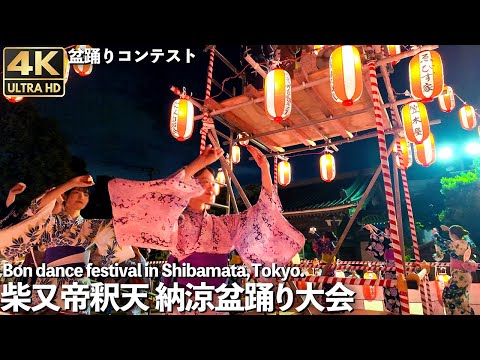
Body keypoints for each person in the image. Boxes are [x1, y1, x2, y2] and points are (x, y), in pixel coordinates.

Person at [108, 144, 305, 315]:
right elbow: (166, 196)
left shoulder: (224, 224)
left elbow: (263, 212)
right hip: (185, 301)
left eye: (213, 184)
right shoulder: (178, 221)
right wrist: (198, 164)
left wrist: (264, 168)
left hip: (219, 300)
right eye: (204, 183)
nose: (211, 188)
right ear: (188, 186)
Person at [0, 175, 135, 314]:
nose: (81, 196)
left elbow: (119, 228)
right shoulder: (51, 222)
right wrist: (71, 183)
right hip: (49, 279)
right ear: (65, 197)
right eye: (76, 192)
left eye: (85, 194)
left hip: (77, 282)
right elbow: (37, 208)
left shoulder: (93, 225)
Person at [432, 225, 478, 315]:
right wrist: (450, 229)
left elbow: (442, 242)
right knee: (461, 300)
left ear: (452, 235)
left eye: (450, 234)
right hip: (464, 276)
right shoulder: (466, 243)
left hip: (459, 276)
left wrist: (435, 233)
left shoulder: (455, 245)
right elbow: (455, 236)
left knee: (449, 296)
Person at [364, 224, 401, 314]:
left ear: (389, 230)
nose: (385, 231)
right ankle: (396, 308)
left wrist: (371, 231)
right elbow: (381, 234)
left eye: (386, 229)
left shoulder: (390, 239)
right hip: (393, 264)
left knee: (391, 287)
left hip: (391, 265)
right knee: (393, 287)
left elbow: (380, 237)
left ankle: (393, 309)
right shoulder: (393, 238)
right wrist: (372, 227)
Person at [309, 228, 337, 306]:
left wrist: (314, 233)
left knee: (328, 285)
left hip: (329, 267)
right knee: (327, 285)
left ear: (327, 238)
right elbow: (320, 240)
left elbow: (319, 241)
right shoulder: (328, 244)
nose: (323, 238)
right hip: (328, 266)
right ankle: (329, 304)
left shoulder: (329, 244)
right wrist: (314, 233)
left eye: (324, 237)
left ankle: (329, 304)